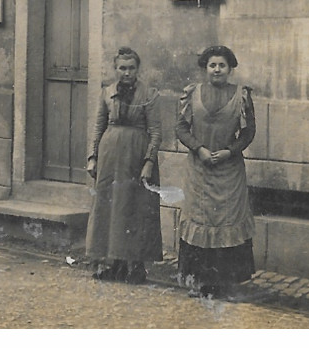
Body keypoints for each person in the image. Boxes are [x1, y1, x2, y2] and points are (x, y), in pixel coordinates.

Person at [176, 45, 256, 300]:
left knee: (225, 222)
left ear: (230, 68)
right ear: (205, 68)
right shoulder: (192, 94)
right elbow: (180, 128)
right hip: (198, 170)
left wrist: (229, 152)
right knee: (199, 220)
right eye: (213, 65)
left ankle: (225, 284)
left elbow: (248, 132)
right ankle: (199, 281)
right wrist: (197, 148)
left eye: (222, 65)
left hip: (228, 172)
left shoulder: (241, 95)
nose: (217, 70)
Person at [86, 47, 162, 284]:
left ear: (137, 70)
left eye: (131, 68)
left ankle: (136, 267)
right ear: (115, 69)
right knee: (110, 208)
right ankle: (113, 263)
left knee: (136, 208)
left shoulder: (149, 94)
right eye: (122, 68)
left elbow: (156, 132)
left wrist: (149, 162)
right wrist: (93, 156)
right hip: (110, 157)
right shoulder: (106, 93)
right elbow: (99, 126)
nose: (126, 73)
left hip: (137, 156)